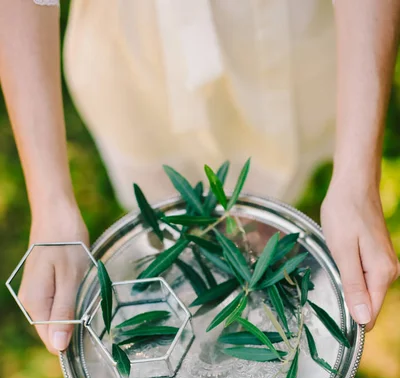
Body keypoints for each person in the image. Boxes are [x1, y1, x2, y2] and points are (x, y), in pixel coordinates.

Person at [0, 0, 399, 355]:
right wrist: (51, 205)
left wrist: (357, 180)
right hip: (137, 55)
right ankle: (186, 272)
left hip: (280, 41)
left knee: (272, 178)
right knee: (162, 190)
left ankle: (256, 266)